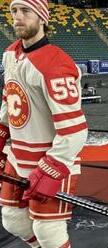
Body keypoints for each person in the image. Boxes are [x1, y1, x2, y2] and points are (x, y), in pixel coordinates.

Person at [0, 1, 88, 247]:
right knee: (12, 220)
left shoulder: (56, 63)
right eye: (14, 11)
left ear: (42, 18)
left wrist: (51, 168)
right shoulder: (10, 53)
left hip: (49, 158)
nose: (17, 17)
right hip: (18, 156)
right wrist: (1, 132)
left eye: (25, 11)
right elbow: (9, 96)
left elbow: (75, 131)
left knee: (49, 231)